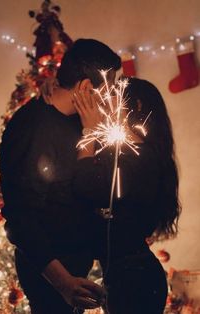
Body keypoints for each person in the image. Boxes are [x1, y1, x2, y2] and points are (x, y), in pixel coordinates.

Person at [0, 38, 121, 314]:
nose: (111, 96)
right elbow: (20, 218)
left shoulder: (82, 122)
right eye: (109, 88)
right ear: (87, 87)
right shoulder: (31, 128)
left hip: (77, 267)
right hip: (51, 278)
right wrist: (63, 282)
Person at [72, 77, 181, 314]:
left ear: (136, 106)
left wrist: (88, 130)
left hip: (134, 279)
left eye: (113, 95)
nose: (103, 102)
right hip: (128, 273)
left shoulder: (139, 158)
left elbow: (85, 185)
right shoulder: (127, 152)